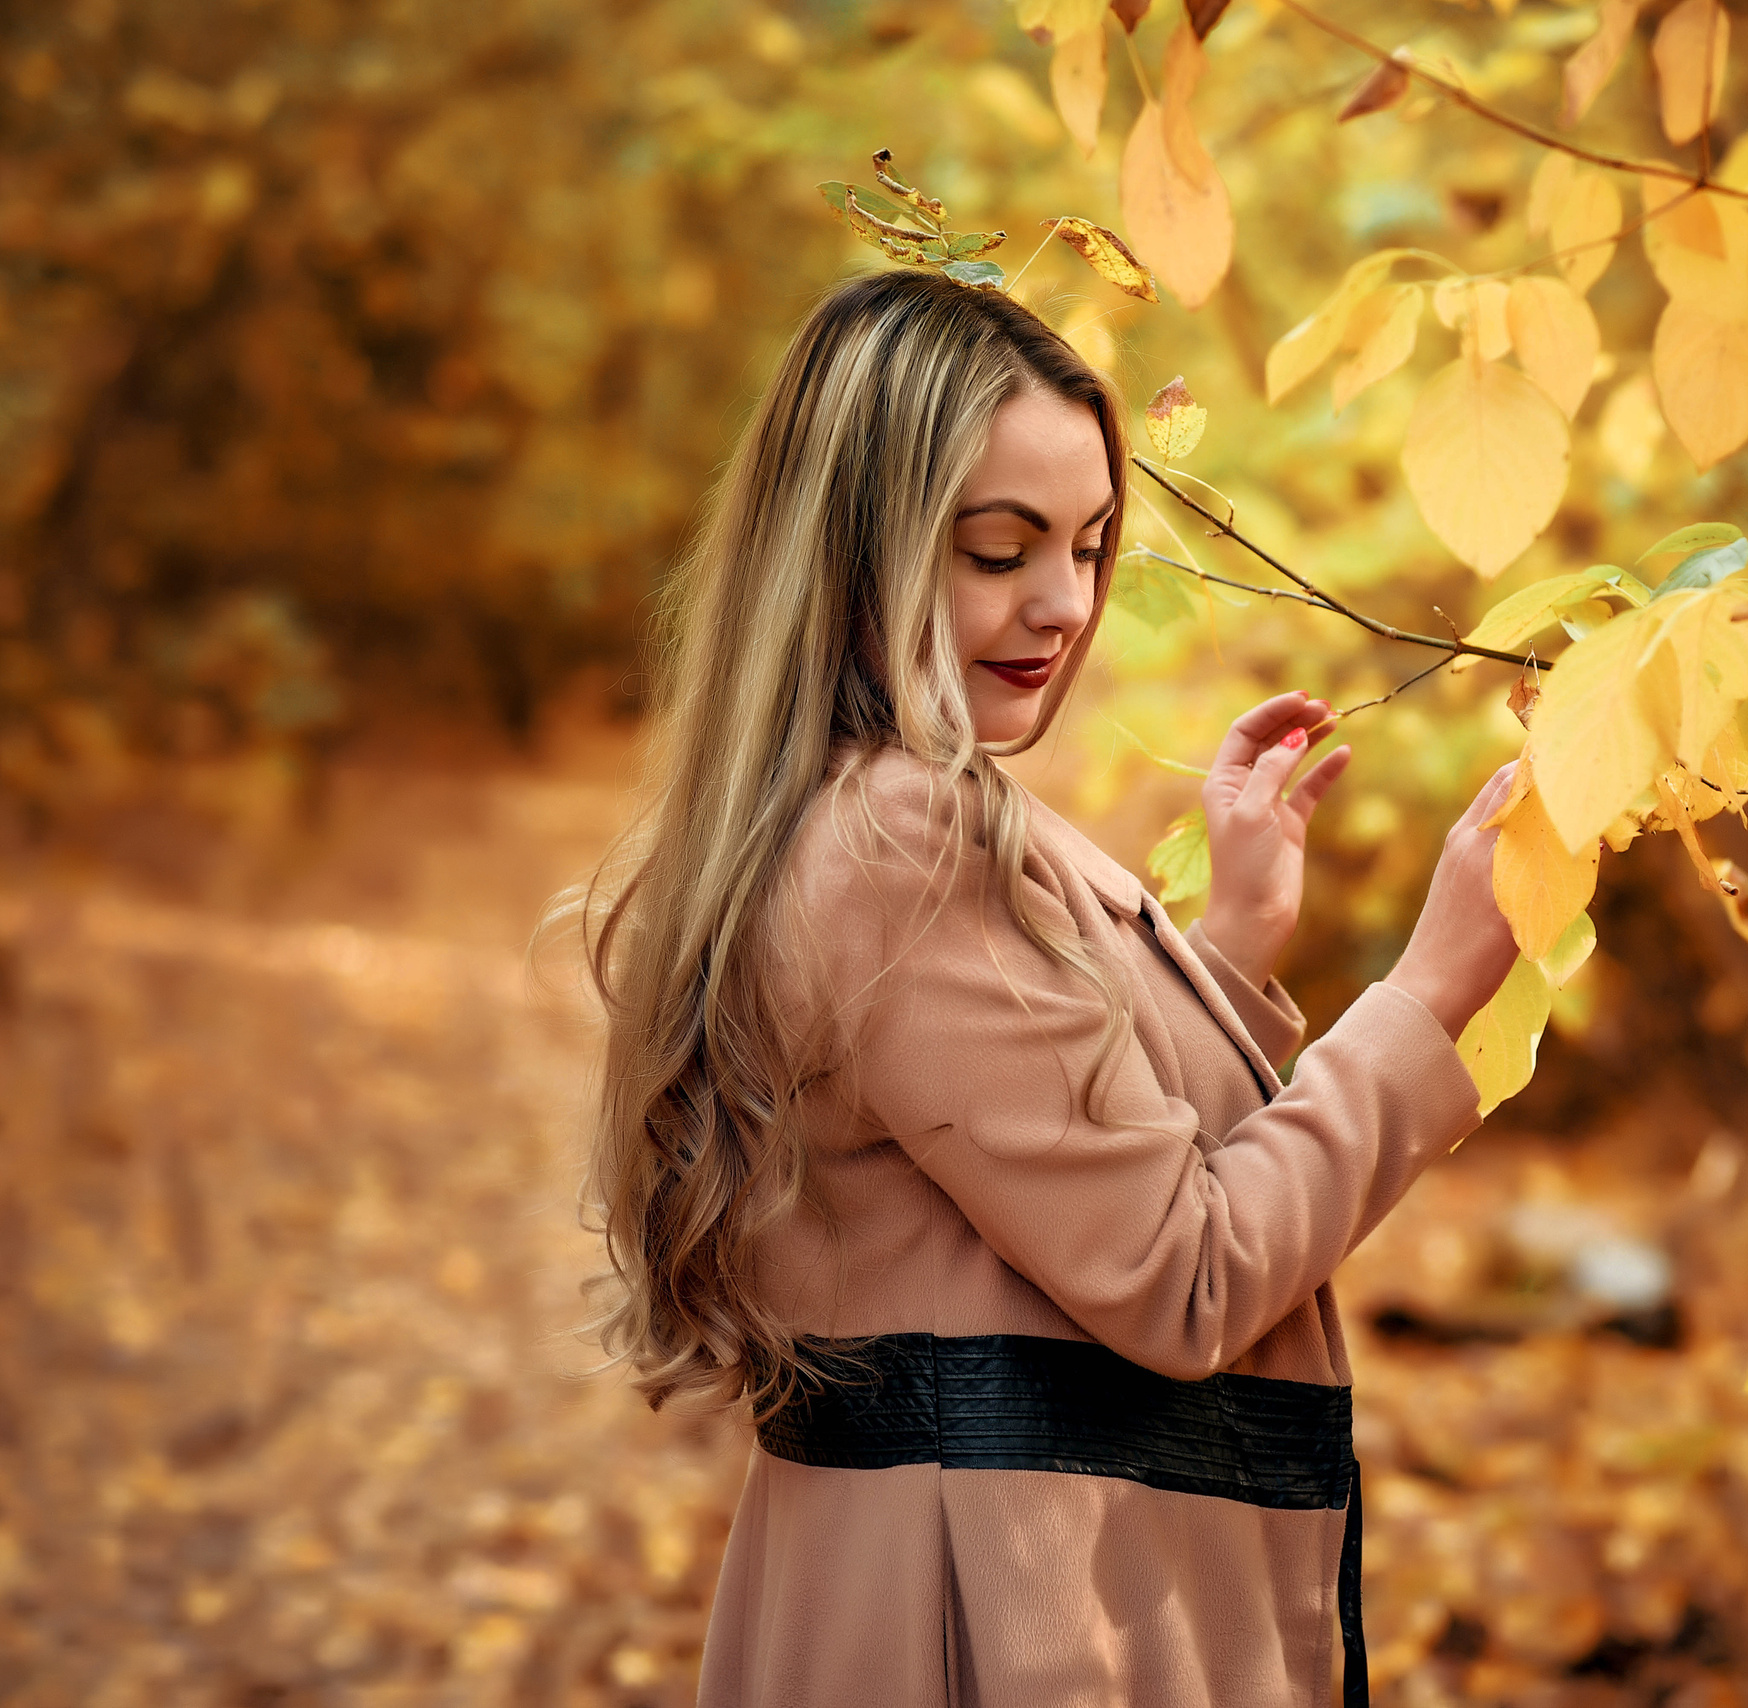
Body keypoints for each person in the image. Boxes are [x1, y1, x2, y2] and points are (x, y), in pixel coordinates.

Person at [582, 267, 1518, 1707]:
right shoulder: (904, 833)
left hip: (953, 1577)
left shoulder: (859, 811)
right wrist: (1430, 992)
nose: (1063, 604)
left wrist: (1234, 949)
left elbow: (1016, 1168)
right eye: (1000, 550)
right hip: (995, 1615)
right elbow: (1182, 1278)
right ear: (857, 548)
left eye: (1087, 545)